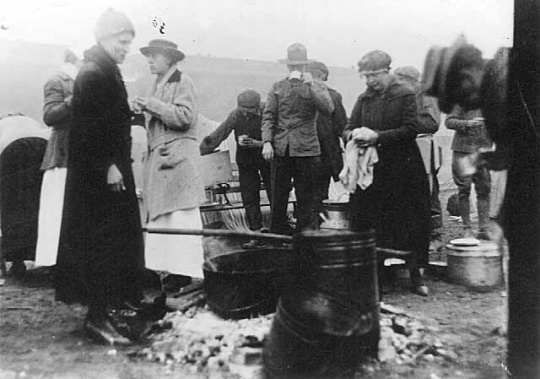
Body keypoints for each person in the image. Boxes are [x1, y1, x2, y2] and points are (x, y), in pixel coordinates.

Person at [55, 9, 145, 346]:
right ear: (106, 38)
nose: (126, 48)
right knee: (102, 246)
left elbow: (108, 119)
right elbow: (87, 131)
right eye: (122, 42)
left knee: (116, 245)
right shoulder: (93, 74)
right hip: (99, 177)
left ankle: (108, 312)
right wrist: (108, 164)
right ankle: (97, 318)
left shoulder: (106, 71)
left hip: (111, 172)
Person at [344, 51, 431, 297]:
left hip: (403, 169)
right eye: (365, 75)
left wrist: (378, 137)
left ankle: (416, 275)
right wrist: (353, 136)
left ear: (386, 71)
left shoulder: (404, 95)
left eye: (373, 75)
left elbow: (411, 129)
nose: (369, 80)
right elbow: (348, 127)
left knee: (410, 221)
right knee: (374, 222)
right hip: (374, 172)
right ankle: (381, 279)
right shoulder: (364, 99)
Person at [135, 39, 205, 293]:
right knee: (165, 215)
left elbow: (186, 117)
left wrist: (150, 105)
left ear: (169, 58)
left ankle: (184, 271)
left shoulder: (182, 81)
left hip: (176, 160)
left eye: (154, 56)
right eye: (149, 56)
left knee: (180, 214)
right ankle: (171, 270)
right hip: (164, 159)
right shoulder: (159, 84)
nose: (150, 61)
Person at [261, 43, 334, 234]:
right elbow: (268, 116)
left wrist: (312, 85)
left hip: (307, 149)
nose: (296, 69)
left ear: (305, 67)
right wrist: (267, 142)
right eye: (292, 66)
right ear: (287, 67)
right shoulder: (277, 87)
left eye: (300, 66)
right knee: (278, 196)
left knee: (306, 197)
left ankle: (305, 237)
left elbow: (328, 108)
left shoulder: (315, 87)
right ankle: (277, 234)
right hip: (281, 149)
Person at [200, 89, 272, 248]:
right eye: (243, 110)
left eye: (250, 111)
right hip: (246, 161)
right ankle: (256, 234)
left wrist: (259, 144)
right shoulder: (235, 115)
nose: (246, 114)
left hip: (268, 159)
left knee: (274, 194)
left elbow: (279, 136)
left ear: (257, 106)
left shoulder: (268, 111)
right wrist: (199, 152)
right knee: (249, 197)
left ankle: (278, 235)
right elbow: (219, 134)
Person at [34, 50, 80, 268]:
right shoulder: (56, 80)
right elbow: (49, 116)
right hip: (63, 153)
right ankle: (58, 261)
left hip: (86, 151)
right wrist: (70, 102)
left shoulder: (94, 79)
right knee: (59, 206)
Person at [394, 66, 443, 242]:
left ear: (412, 81)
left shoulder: (427, 95)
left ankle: (434, 236)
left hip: (423, 150)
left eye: (399, 80)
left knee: (428, 192)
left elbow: (432, 123)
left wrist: (404, 122)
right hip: (403, 148)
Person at [0, 114, 49, 277]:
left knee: (12, 207)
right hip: (43, 148)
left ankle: (17, 260)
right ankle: (48, 255)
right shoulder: (31, 123)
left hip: (10, 153)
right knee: (43, 204)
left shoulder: (4, 127)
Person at [305, 61, 348, 223]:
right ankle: (319, 226)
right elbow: (341, 125)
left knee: (305, 191)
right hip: (325, 152)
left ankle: (307, 227)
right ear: (323, 75)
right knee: (320, 192)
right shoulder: (333, 96)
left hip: (303, 151)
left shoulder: (298, 93)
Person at [445, 105, 492, 239]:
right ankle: (467, 228)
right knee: (464, 190)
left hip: (483, 151)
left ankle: (483, 228)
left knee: (484, 190)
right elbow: (449, 122)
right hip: (463, 151)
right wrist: (467, 124)